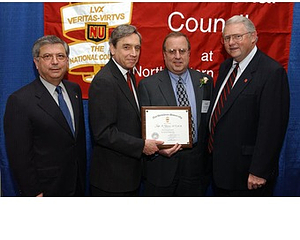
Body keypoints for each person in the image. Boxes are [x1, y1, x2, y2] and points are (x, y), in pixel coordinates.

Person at [208, 15, 290, 196]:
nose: (231, 42)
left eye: (238, 36)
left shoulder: (271, 72)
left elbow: (272, 128)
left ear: (253, 37)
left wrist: (259, 171)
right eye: (227, 38)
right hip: (221, 170)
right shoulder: (226, 67)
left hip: (248, 174)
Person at [4, 35, 87, 196]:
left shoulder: (74, 90)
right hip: (46, 190)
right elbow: (20, 156)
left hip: (77, 184)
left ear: (67, 61)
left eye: (60, 56)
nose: (55, 62)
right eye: (47, 56)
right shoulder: (20, 101)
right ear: (36, 62)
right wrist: (33, 192)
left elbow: (75, 141)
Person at [88, 24, 165, 196]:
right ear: (112, 48)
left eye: (137, 48)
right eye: (126, 47)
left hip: (129, 176)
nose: (133, 53)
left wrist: (158, 143)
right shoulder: (105, 81)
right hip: (111, 180)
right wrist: (142, 146)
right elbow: (103, 133)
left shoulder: (129, 76)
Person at [138, 31, 213, 196]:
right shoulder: (147, 85)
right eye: (172, 51)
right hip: (161, 167)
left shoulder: (205, 82)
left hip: (196, 168)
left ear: (189, 53)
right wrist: (158, 149)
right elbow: (141, 128)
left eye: (182, 51)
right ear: (164, 55)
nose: (177, 56)